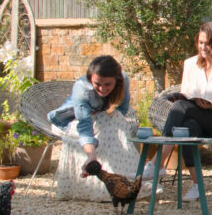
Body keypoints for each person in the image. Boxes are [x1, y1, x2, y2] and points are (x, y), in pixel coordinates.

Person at [148, 21, 212, 201]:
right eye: (200, 43)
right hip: (195, 115)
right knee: (188, 128)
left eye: (207, 43)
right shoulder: (190, 64)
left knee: (182, 108)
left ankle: (157, 164)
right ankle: (198, 186)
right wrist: (185, 98)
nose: (203, 47)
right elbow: (187, 93)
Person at [48, 55, 148, 201]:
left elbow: (123, 108)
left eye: (108, 84)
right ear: (90, 79)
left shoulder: (123, 80)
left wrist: (104, 114)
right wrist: (91, 155)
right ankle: (105, 186)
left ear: (117, 81)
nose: (102, 89)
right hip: (71, 122)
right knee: (109, 123)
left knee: (115, 120)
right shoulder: (82, 88)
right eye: (98, 84)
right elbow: (84, 125)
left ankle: (124, 181)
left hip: (107, 120)